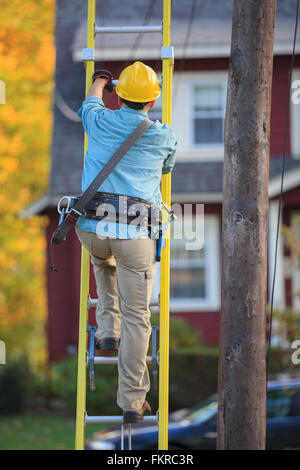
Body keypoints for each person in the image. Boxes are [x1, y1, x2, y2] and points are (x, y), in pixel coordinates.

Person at [75, 61, 177, 423]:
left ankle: (106, 332)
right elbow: (166, 168)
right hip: (135, 237)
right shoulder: (162, 134)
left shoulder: (100, 120)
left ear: (118, 94)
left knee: (102, 261)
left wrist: (100, 80)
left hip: (92, 229)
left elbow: (89, 103)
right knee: (139, 318)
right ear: (153, 100)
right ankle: (132, 402)